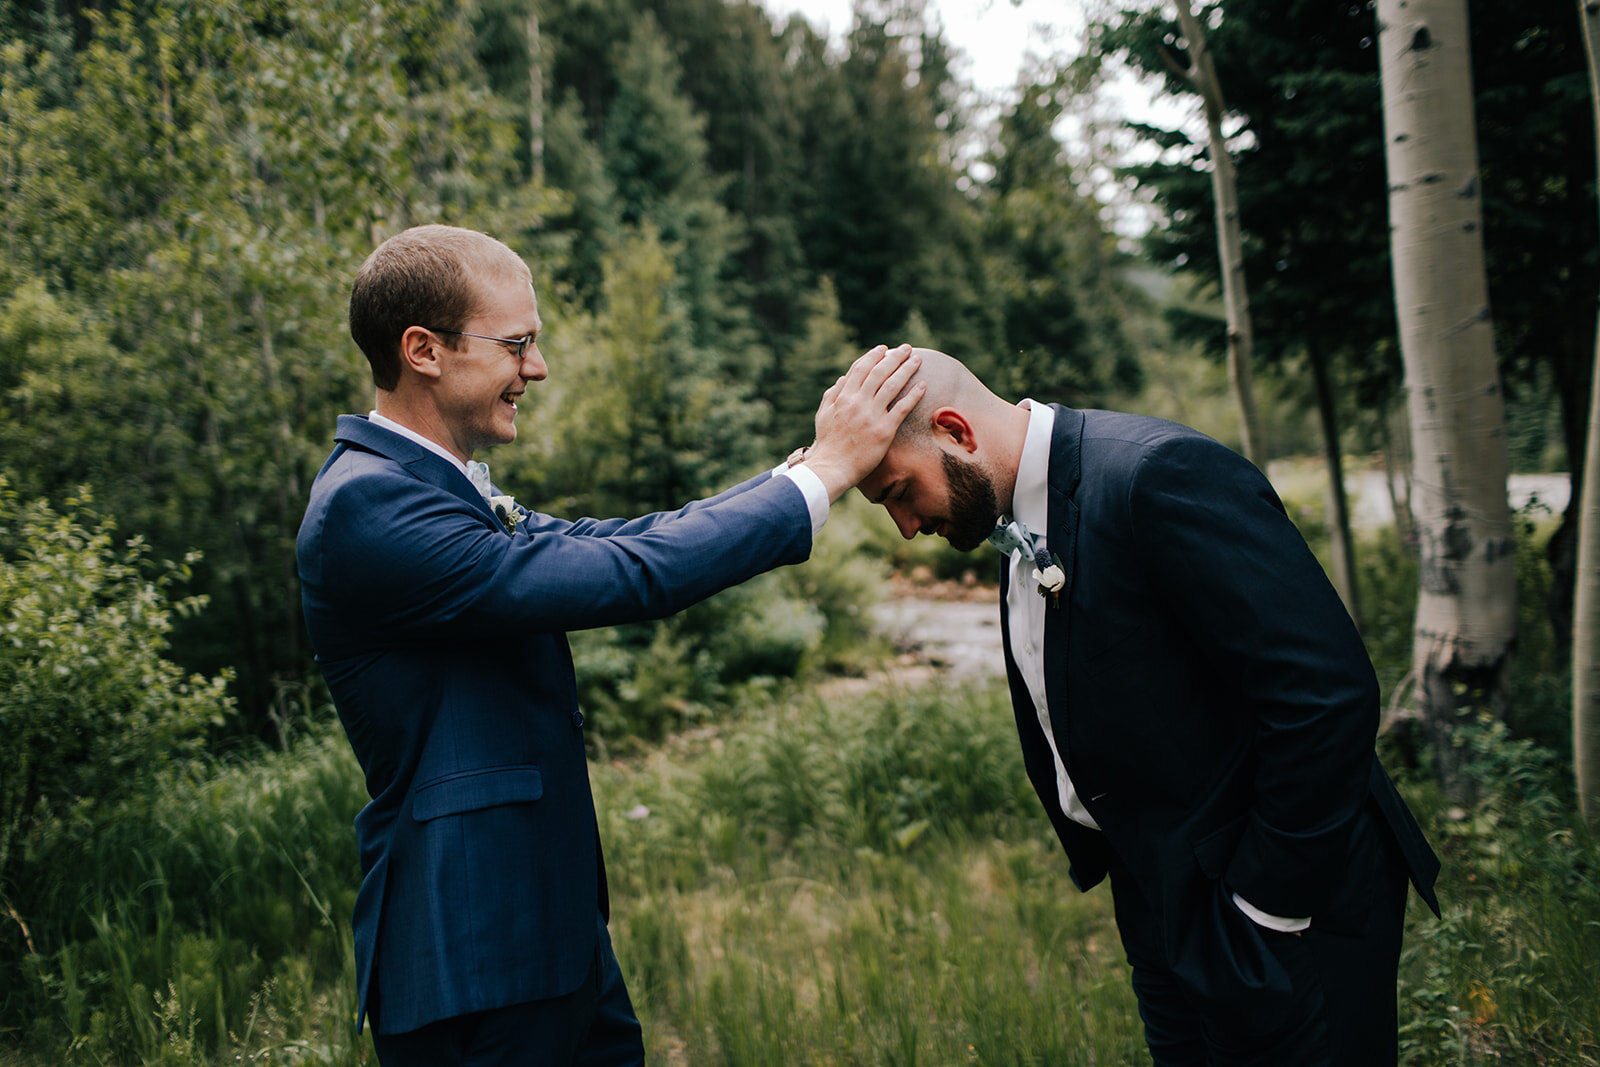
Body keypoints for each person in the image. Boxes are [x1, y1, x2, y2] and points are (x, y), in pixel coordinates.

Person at [296, 223, 924, 1066]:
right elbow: (629, 574)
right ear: (424, 350)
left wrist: (801, 470)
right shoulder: (368, 504)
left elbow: (620, 540)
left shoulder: (430, 489)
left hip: (549, 936)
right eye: (517, 344)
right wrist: (828, 477)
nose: (538, 368)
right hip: (473, 950)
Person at [853, 348, 1441, 1066]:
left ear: (955, 432)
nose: (905, 527)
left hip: (1281, 898)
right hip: (1162, 893)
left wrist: (1262, 908)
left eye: (897, 492)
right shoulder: (1015, 520)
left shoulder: (1154, 475)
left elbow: (1326, 692)